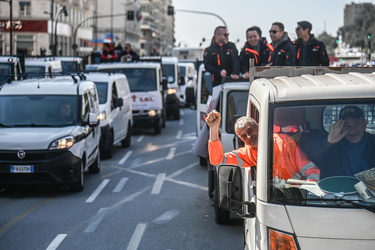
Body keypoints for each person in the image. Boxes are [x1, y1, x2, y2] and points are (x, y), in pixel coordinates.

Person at [206, 110, 320, 181]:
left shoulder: (284, 142)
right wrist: (214, 128)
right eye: (244, 136)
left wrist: (309, 191)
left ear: (259, 126)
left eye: (250, 131)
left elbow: (311, 170)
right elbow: (217, 161)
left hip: (296, 198)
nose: (249, 137)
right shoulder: (247, 153)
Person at [305, 106, 375, 178]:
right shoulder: (334, 143)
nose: (351, 129)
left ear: (364, 124)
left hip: (368, 187)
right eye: (346, 125)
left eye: (356, 124)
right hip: (339, 186)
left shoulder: (372, 142)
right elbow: (309, 156)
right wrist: (328, 142)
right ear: (340, 127)